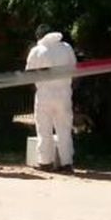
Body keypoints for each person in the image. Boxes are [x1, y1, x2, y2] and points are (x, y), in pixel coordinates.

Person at [26, 24, 77, 173]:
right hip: (64, 93)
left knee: (43, 129)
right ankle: (67, 163)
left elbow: (29, 73)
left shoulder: (36, 51)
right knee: (64, 129)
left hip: (44, 94)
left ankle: (45, 162)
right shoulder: (66, 48)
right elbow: (74, 68)